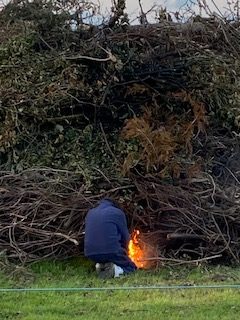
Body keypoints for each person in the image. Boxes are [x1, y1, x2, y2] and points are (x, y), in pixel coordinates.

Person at [84, 198, 137, 279]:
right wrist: (126, 253)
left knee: (105, 257)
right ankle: (115, 271)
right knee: (131, 267)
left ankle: (101, 266)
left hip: (90, 253)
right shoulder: (117, 213)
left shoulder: (90, 213)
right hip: (111, 251)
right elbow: (125, 237)